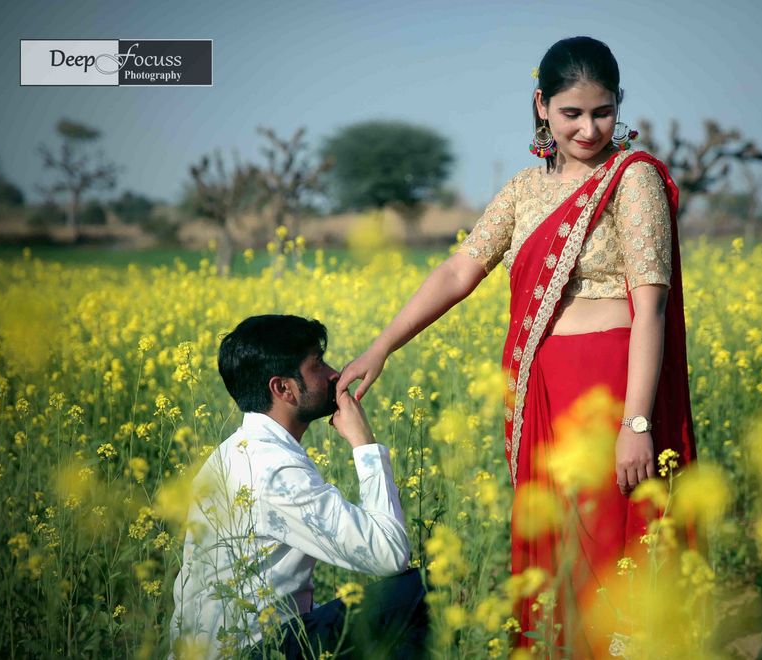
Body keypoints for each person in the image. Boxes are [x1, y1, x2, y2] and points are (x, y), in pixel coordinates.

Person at [338, 36, 696, 654]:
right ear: (541, 107)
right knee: (558, 551)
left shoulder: (631, 179)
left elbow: (651, 309)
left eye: (603, 111)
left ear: (619, 107)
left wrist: (636, 421)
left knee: (613, 548)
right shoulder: (523, 190)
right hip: (545, 390)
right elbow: (458, 272)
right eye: (571, 113)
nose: (588, 128)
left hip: (611, 390)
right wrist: (382, 347)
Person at [169, 314, 428, 660]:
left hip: (222, 648)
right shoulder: (274, 472)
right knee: (422, 591)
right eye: (317, 364)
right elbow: (389, 554)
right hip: (251, 651)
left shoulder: (235, 451)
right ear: (283, 388)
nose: (335, 373)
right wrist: (364, 445)